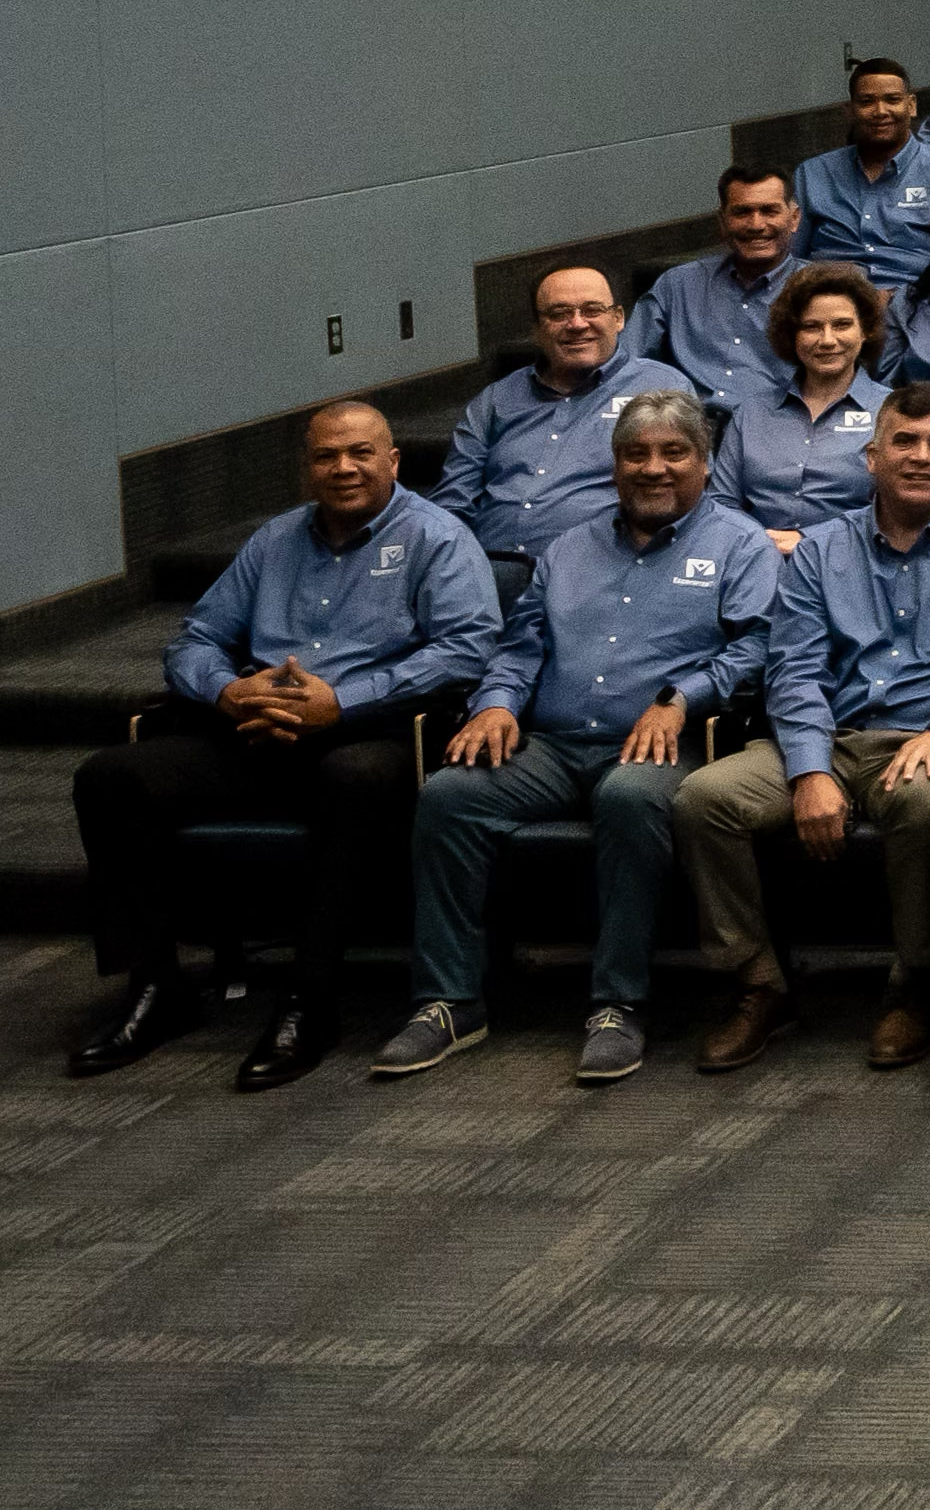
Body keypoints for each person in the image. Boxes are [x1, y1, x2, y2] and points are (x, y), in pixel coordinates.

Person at [67, 403, 501, 1090]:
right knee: (111, 779)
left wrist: (343, 702)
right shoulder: (274, 540)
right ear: (307, 468)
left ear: (393, 461)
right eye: (327, 456)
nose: (344, 468)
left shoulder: (437, 539)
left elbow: (467, 651)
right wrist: (227, 693)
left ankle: (310, 997)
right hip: (257, 728)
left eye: (360, 453)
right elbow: (197, 639)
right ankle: (155, 985)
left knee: (350, 780)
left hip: (373, 732)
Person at [382, 389, 775, 1086]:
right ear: (613, 465)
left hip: (663, 746)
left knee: (628, 797)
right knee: (449, 795)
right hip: (555, 744)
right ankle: (448, 999)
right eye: (635, 454)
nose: (653, 468)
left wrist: (680, 698)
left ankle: (617, 1004)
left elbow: (754, 648)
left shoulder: (740, 544)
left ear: (705, 464)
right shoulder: (570, 546)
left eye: (673, 453)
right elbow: (522, 644)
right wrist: (497, 703)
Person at [671, 382, 930, 1076]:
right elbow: (794, 671)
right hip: (827, 736)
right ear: (872, 456)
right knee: (704, 798)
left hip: (926, 738)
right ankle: (759, 983)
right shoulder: (817, 550)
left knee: (928, 800)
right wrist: (810, 770)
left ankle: (913, 982)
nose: (922, 456)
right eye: (904, 440)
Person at [438, 267, 701, 562]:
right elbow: (453, 500)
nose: (577, 324)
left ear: (618, 318)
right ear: (537, 329)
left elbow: (685, 494)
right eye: (559, 313)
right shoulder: (496, 399)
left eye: (592, 310)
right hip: (487, 568)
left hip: (598, 568)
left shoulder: (660, 389)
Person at [711, 263, 891, 548]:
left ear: (865, 331)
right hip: (758, 559)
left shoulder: (890, 412)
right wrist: (761, 543)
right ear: (792, 335)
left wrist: (809, 540)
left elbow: (897, 511)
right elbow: (721, 501)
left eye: (842, 325)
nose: (828, 340)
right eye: (811, 327)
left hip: (853, 560)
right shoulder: (752, 413)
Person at [626, 165, 808, 412]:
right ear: (722, 222)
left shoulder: (818, 289)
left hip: (776, 425)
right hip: (687, 426)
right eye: (742, 212)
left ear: (794, 218)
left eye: (769, 211)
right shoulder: (678, 285)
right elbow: (627, 362)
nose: (756, 224)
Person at [793, 60, 930, 282]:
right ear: (850, 111)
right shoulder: (812, 174)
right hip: (830, 299)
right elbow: (790, 259)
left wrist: (901, 298)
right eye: (867, 102)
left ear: (911, 105)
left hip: (916, 302)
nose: (881, 111)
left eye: (892, 100)